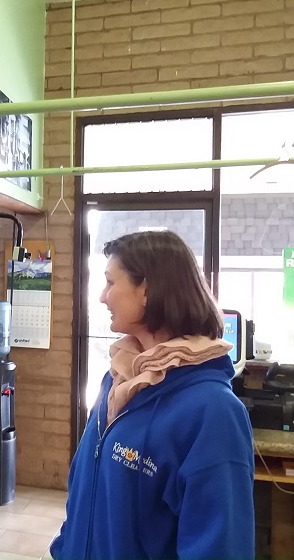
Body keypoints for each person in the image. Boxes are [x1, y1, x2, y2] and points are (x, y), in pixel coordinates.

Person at [50, 230, 254, 560]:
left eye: (110, 282)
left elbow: (221, 546)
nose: (102, 297)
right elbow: (86, 494)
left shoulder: (214, 412)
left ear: (146, 290)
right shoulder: (116, 380)